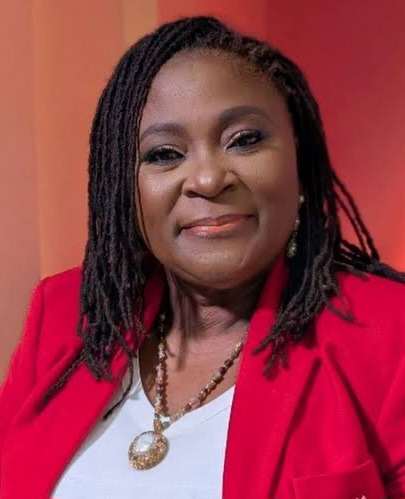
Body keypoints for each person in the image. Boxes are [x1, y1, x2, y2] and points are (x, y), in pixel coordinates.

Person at [0, 15, 404, 499]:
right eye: (164, 154)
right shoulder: (67, 315)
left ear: (299, 161)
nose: (208, 179)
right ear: (124, 187)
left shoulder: (389, 335)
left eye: (245, 140)